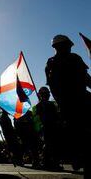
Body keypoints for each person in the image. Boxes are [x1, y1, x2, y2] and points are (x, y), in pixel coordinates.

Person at [45, 34, 91, 171]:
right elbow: (86, 78)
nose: (70, 48)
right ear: (60, 46)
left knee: (76, 130)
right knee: (79, 131)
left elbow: (86, 78)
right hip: (75, 101)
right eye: (67, 45)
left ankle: (77, 158)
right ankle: (78, 158)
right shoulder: (69, 59)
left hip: (71, 101)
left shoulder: (55, 62)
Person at [34, 86, 63, 170]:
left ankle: (50, 162)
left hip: (51, 126)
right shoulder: (42, 105)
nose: (49, 95)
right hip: (47, 126)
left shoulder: (43, 104)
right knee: (50, 144)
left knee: (51, 144)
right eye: (47, 93)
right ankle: (49, 162)